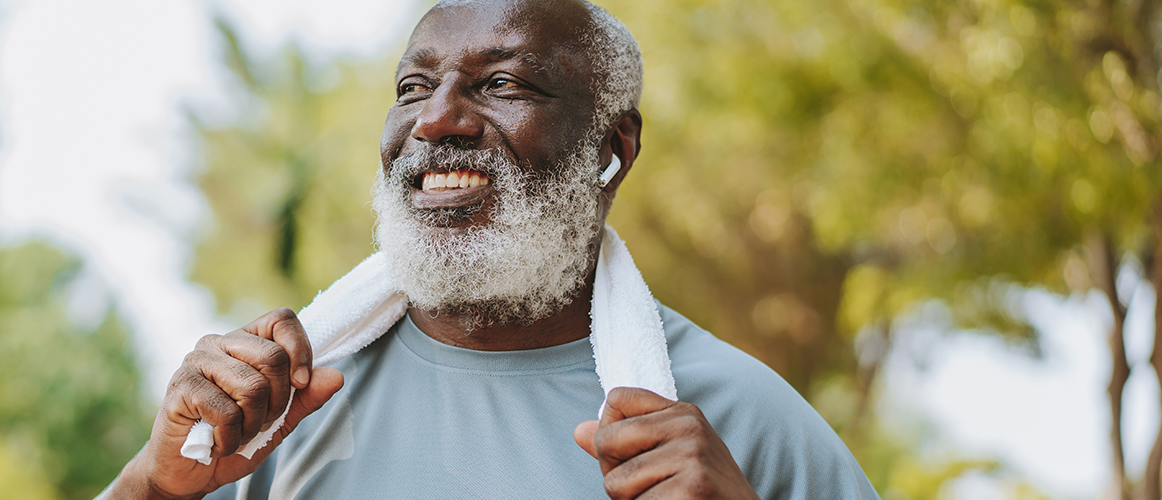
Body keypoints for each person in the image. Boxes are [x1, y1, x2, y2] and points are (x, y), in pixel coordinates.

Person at [101, 0, 880, 498]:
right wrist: (153, 484)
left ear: (612, 147)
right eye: (412, 87)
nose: (436, 120)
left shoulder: (736, 417)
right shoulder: (275, 404)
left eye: (503, 84)